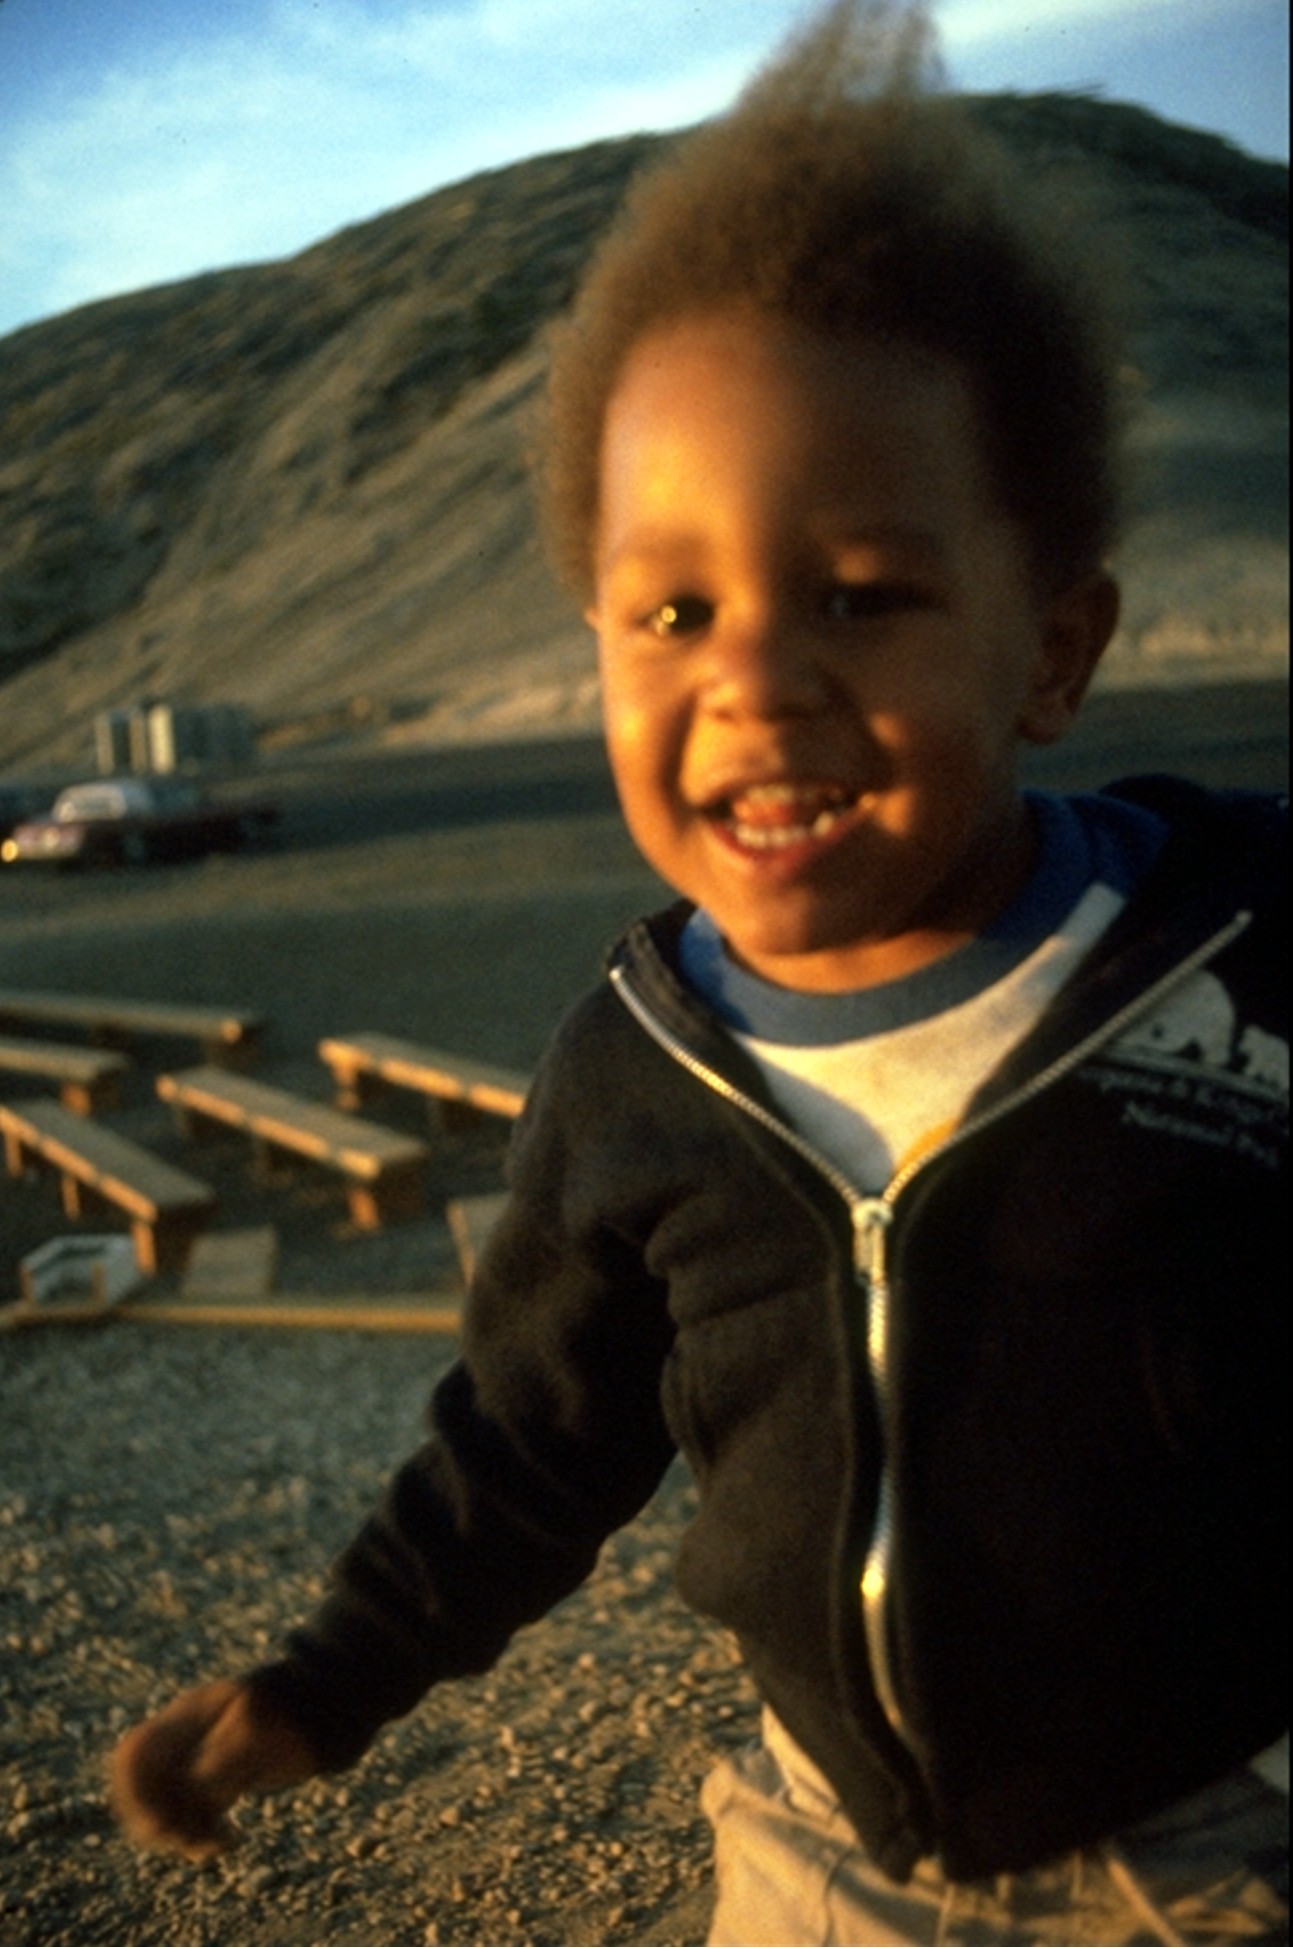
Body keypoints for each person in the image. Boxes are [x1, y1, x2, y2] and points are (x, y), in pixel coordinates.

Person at [109, 3, 1288, 1940]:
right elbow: (530, 1434)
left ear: (1050, 647)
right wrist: (326, 1685)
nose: (752, 671)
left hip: (1209, 1850)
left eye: (858, 591)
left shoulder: (1233, 955)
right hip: (822, 1844)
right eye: (673, 608)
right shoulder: (639, 1066)